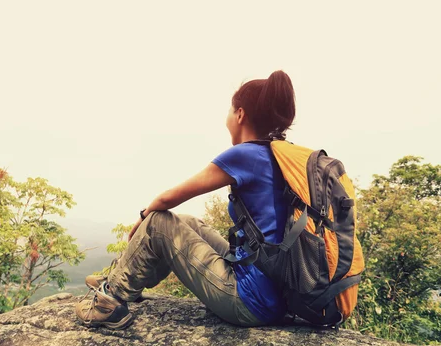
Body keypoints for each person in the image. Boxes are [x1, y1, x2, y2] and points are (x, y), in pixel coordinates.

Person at [76, 70, 296, 329]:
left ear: (240, 114)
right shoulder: (283, 155)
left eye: (230, 110)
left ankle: (108, 303)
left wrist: (143, 219)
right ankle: (124, 279)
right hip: (274, 293)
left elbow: (170, 197)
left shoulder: (246, 155)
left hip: (249, 302)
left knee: (158, 221)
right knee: (188, 222)